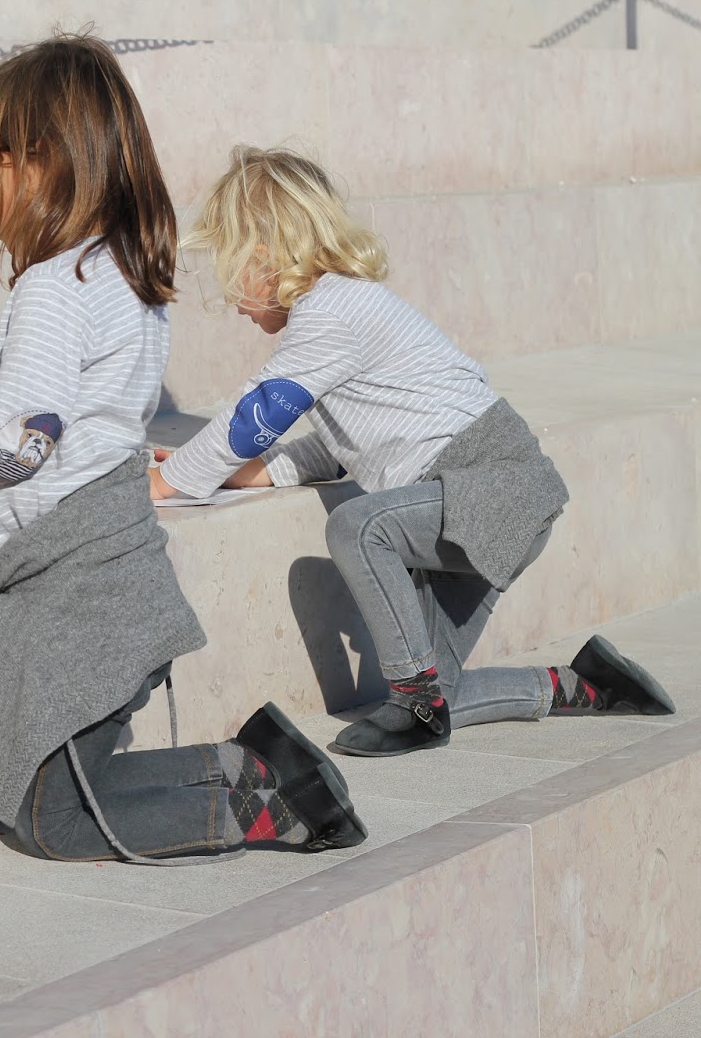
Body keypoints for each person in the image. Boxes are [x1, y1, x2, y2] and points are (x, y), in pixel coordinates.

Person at [0, 36, 366, 865]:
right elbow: (74, 415)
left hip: (75, 590)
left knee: (52, 823)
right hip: (108, 565)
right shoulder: (118, 272)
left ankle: (259, 799)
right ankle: (259, 770)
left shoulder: (50, 288)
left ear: (41, 161)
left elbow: (13, 457)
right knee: (58, 804)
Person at [152, 146, 674, 758]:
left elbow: (258, 412)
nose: (233, 299)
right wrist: (250, 474)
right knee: (442, 693)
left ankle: (414, 702)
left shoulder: (330, 312)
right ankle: (584, 687)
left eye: (231, 270)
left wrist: (173, 480)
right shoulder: (341, 312)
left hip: (488, 486)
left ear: (265, 258)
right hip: (485, 503)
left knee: (357, 527)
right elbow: (339, 451)